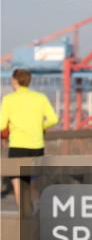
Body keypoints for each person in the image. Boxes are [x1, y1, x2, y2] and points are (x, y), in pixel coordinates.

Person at [0, 68, 59, 209]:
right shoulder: (41, 98)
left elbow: (1, 124)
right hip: (37, 146)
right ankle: (37, 209)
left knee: (17, 181)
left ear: (14, 81)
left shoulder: (9, 99)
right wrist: (40, 126)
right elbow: (53, 119)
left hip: (17, 145)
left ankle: (25, 215)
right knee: (34, 180)